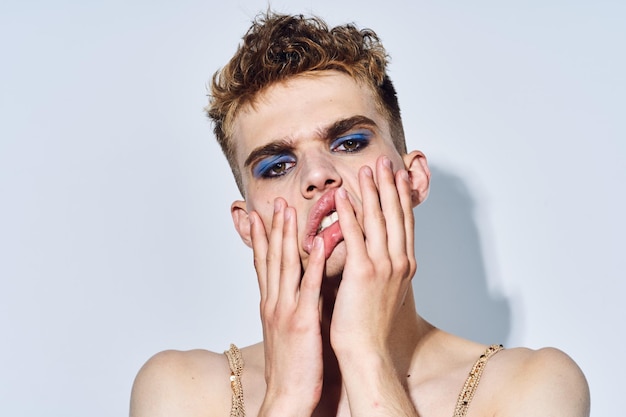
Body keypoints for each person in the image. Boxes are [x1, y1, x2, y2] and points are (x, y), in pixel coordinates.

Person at [130, 11, 590, 417]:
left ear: (413, 179)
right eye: (277, 165)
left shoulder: (531, 385)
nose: (317, 174)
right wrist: (286, 397)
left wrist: (364, 354)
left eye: (349, 143)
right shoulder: (181, 390)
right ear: (248, 225)